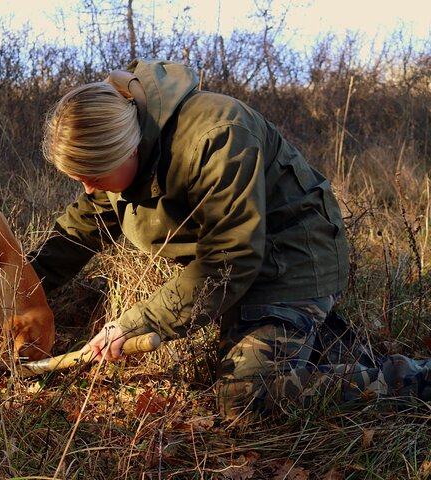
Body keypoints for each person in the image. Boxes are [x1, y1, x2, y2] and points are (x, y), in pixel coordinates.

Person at [30, 58, 431, 420]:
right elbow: (76, 235)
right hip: (241, 272)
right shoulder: (117, 149)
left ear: (128, 149)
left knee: (245, 399)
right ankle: (324, 345)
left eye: (93, 177)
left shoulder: (217, 135)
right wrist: (8, 289)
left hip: (292, 262)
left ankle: (413, 382)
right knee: (287, 365)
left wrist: (135, 323)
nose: (87, 189)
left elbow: (230, 258)